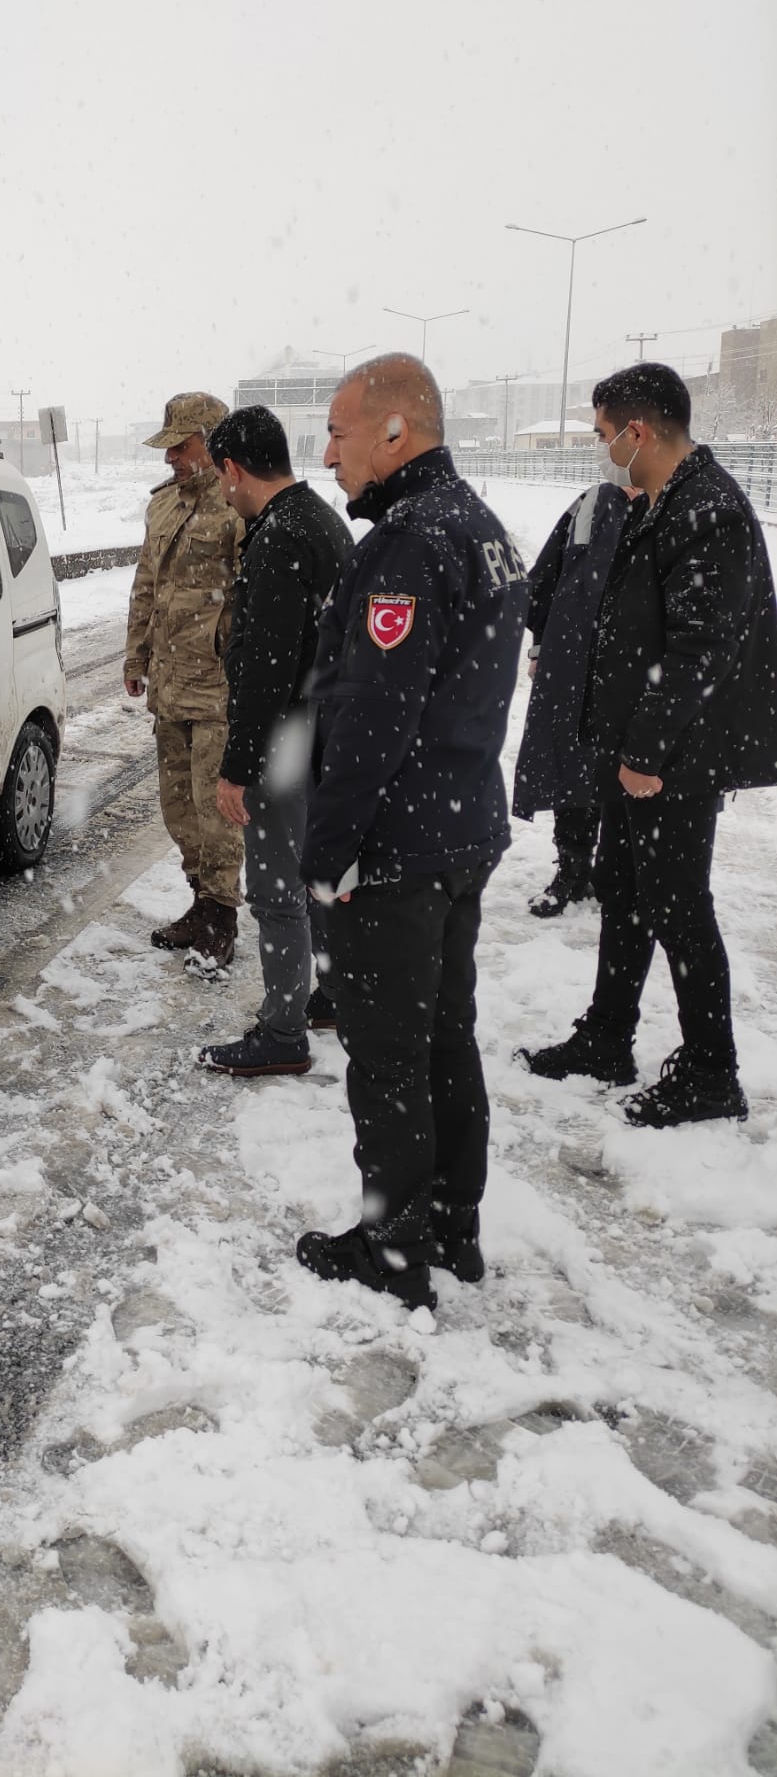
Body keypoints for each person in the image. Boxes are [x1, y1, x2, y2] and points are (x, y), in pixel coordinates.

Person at [294, 354, 527, 1311]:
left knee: (389, 1053)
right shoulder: (480, 531)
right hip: (460, 825)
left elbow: (373, 717)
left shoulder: (406, 543)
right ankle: (452, 1222)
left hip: (399, 843)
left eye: (341, 432)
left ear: (396, 433)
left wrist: (327, 850)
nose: (328, 451)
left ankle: (393, 1252)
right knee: (444, 1037)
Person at [518, 364, 777, 1126]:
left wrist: (645, 754)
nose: (601, 451)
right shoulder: (661, 503)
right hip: (639, 746)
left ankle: (710, 1071)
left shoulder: (708, 511)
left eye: (603, 435)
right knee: (626, 895)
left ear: (637, 431)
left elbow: (702, 649)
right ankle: (606, 1036)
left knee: (677, 906)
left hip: (676, 759)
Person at [195, 404, 353, 1075]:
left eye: (218, 476)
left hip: (288, 737)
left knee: (273, 888)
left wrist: (238, 768)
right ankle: (333, 994)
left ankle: (282, 1033)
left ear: (233, 470)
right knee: (316, 876)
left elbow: (265, 664)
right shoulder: (319, 519)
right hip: (326, 730)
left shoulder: (278, 535)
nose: (221, 491)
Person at [124, 390, 245, 969]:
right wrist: (134, 656)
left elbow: (253, 602)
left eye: (181, 445)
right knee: (178, 807)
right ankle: (200, 899)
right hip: (170, 684)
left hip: (218, 688)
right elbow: (146, 585)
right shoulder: (163, 506)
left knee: (215, 807)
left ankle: (223, 914)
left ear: (213, 443)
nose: (170, 458)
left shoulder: (238, 507)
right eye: (168, 447)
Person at [512, 459, 632, 916]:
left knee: (624, 767)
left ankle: (616, 874)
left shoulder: (668, 508)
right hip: (575, 661)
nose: (606, 449)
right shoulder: (589, 504)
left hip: (632, 667)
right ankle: (574, 870)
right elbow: (545, 577)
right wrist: (541, 644)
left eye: (609, 436)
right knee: (572, 764)